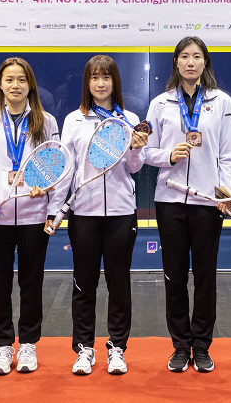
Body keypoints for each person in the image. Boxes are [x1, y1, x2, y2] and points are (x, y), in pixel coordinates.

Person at [144, 36, 231, 373]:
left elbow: (229, 153)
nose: (190, 62)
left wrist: (227, 192)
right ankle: (180, 346)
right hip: (170, 200)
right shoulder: (160, 103)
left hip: (208, 202)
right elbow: (146, 151)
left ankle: (202, 346)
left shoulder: (222, 101)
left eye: (197, 57)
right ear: (176, 62)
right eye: (184, 56)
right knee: (174, 276)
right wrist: (168, 155)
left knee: (205, 276)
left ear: (204, 62)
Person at [0, 57, 63, 376]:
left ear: (30, 85)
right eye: (9, 79)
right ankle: (2, 346)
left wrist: (46, 194)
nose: (16, 85)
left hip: (35, 216)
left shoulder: (46, 121)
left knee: (31, 284)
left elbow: (57, 167)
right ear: (0, 85)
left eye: (22, 79)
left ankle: (29, 344)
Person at [55, 55, 148, 375]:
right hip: (84, 212)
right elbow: (65, 168)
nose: (100, 83)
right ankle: (84, 348)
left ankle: (117, 348)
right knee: (84, 283)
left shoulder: (129, 118)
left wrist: (136, 147)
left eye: (106, 77)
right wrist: (56, 209)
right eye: (94, 77)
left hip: (121, 212)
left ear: (114, 82)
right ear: (87, 83)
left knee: (119, 283)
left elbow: (134, 168)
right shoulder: (74, 120)